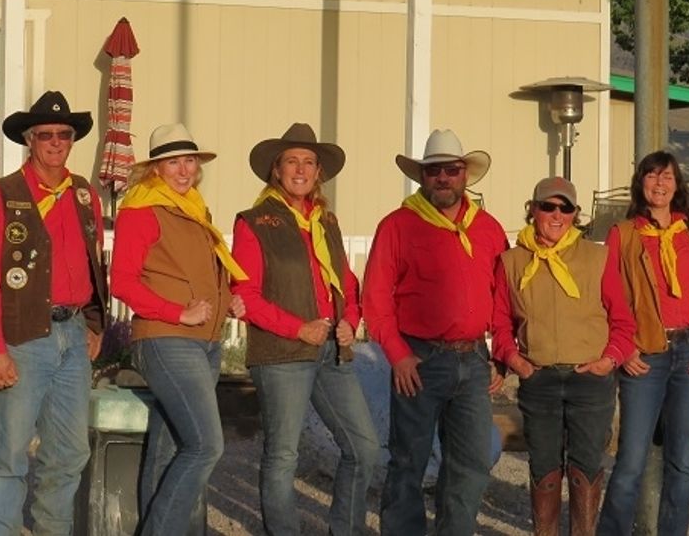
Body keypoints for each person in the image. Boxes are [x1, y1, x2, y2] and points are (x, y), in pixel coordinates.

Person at [231, 123, 378, 536]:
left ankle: (343, 530)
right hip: (281, 355)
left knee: (364, 448)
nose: (301, 169)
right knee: (282, 455)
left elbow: (346, 282)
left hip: (331, 351)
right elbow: (246, 294)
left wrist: (350, 320)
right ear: (276, 170)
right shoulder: (254, 221)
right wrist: (299, 329)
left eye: (309, 162)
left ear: (319, 173)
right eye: (292, 161)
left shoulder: (326, 221)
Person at [0, 91, 109, 536]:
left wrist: (94, 322)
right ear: (30, 139)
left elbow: (94, 260)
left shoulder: (85, 195)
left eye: (63, 134)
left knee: (69, 453)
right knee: (10, 455)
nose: (55, 142)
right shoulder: (3, 195)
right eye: (45, 134)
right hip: (23, 336)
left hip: (72, 334)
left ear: (72, 139)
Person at [362, 129, 507, 535]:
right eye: (434, 171)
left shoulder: (488, 228)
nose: (443, 178)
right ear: (422, 177)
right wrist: (397, 353)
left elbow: (504, 297)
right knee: (408, 460)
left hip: (475, 357)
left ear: (465, 175)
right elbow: (375, 297)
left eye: (451, 170)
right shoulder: (398, 225)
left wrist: (501, 353)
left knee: (473, 461)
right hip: (419, 357)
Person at [111, 123, 247, 536]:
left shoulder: (190, 207)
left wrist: (230, 299)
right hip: (167, 339)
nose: (184, 169)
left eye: (189, 160)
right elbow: (122, 281)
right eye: (174, 162)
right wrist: (177, 313)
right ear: (156, 169)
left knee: (170, 446)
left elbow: (197, 273)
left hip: (202, 342)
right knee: (206, 445)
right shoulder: (143, 209)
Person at [492, 177, 634, 536]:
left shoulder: (597, 257)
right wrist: (516, 360)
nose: (557, 215)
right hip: (538, 378)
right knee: (544, 467)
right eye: (548, 206)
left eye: (565, 208)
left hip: (589, 378)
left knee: (586, 467)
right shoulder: (511, 261)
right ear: (533, 210)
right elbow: (501, 322)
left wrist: (609, 360)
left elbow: (622, 319)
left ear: (575, 214)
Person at [597, 151, 689, 536]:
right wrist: (624, 348)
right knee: (631, 460)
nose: (660, 184)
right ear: (641, 184)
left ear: (677, 184)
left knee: (682, 462)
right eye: (652, 176)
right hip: (645, 355)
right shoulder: (624, 234)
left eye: (667, 176)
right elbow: (608, 296)